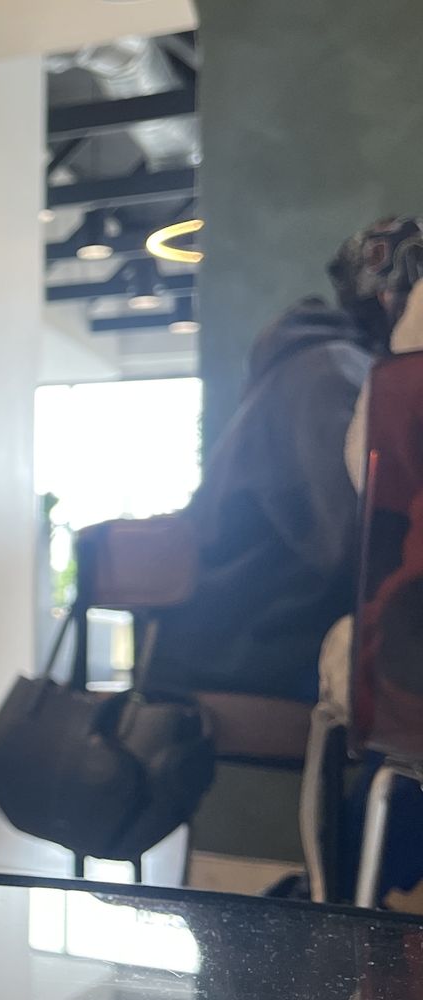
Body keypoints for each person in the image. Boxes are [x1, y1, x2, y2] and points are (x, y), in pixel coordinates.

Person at [142, 219, 423, 703]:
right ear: (392, 299)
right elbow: (359, 538)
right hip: (250, 644)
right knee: (398, 672)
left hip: (242, 633)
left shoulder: (326, 364)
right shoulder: (331, 373)